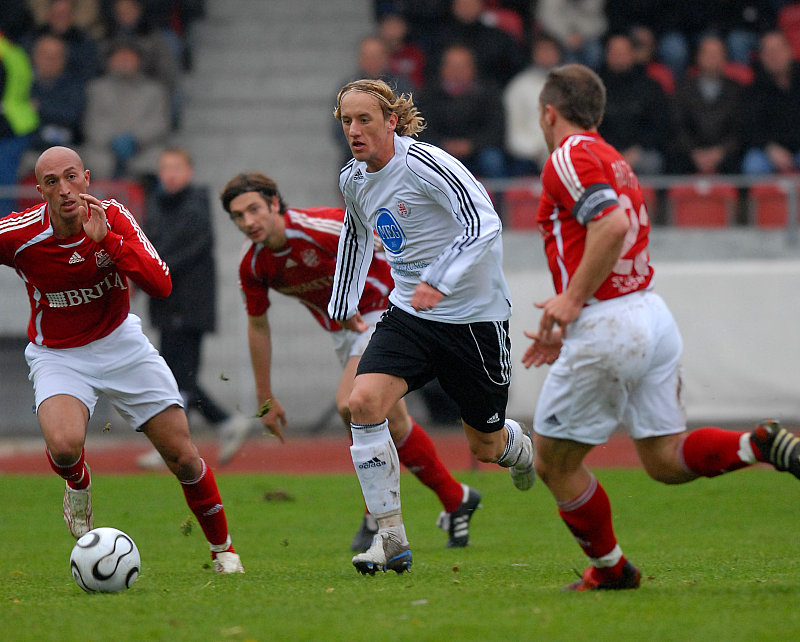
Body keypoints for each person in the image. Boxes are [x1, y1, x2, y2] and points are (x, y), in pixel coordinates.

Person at [522, 63, 800, 592]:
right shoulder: (613, 159)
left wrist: (572, 300)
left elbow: (611, 224)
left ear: (548, 112)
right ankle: (757, 445)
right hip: (648, 312)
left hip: (609, 322)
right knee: (665, 461)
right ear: (598, 113)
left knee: (553, 461)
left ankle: (611, 570)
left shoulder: (569, 156)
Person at [0, 145, 244, 573]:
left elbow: (162, 283)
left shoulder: (113, 217)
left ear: (87, 178)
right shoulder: (18, 234)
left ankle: (223, 550)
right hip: (58, 354)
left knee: (183, 457)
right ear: (39, 190)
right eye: (52, 182)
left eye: (72, 176)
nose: (64, 189)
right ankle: (79, 483)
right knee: (63, 446)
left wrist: (108, 242)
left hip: (120, 343)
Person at [330, 78, 534, 575]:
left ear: (391, 121)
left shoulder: (426, 163)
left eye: (364, 120)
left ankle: (521, 448)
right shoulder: (353, 178)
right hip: (410, 314)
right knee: (361, 403)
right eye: (346, 122)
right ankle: (391, 537)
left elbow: (483, 222)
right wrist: (340, 302)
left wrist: (440, 279)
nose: (354, 131)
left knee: (484, 446)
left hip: (473, 319)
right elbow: (357, 236)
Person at [219, 171, 482, 552]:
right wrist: (265, 396)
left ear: (275, 203)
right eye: (238, 216)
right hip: (345, 332)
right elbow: (258, 326)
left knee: (350, 404)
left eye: (254, 209)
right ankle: (456, 498)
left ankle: (377, 514)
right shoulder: (254, 265)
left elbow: (390, 243)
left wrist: (431, 287)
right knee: (393, 422)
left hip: (386, 313)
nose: (249, 222)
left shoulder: (321, 226)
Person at [136, 147, 255, 470]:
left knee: (176, 377)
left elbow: (178, 252)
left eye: (176, 167)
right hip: (166, 305)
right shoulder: (158, 206)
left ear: (189, 172)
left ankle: (176, 446)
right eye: (165, 168)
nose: (170, 174)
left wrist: (149, 272)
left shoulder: (195, 205)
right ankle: (224, 422)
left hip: (189, 305)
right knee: (179, 376)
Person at [81, 38, 170, 179]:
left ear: (139, 60)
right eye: (119, 57)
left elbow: (159, 123)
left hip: (143, 148)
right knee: (93, 162)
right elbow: (92, 123)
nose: (124, 61)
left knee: (158, 161)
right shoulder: (95, 89)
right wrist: (112, 141)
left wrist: (134, 139)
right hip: (104, 149)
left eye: (129, 57)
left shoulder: (154, 90)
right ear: (110, 60)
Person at [419, 43, 507, 178]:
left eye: (462, 66)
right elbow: (421, 130)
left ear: (473, 69)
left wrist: (471, 145)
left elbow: (495, 130)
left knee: (493, 160)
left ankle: (496, 199)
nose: (457, 72)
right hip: (439, 149)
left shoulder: (489, 93)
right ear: (443, 69)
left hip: (478, 151)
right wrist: (444, 144)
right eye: (453, 66)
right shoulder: (428, 94)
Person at [669, 35, 744, 175]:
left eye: (717, 54)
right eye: (708, 53)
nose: (712, 58)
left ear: (725, 58)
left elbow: (740, 128)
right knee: (673, 160)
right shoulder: (683, 90)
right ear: (698, 57)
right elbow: (677, 126)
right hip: (689, 153)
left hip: (726, 154)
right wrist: (694, 152)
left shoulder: (736, 91)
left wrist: (720, 152)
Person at [598, 33, 668, 176]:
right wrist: (611, 153)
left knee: (652, 162)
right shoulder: (593, 88)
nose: (619, 57)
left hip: (640, 152)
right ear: (607, 55)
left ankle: (644, 199)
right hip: (603, 151)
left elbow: (660, 126)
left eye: (623, 53)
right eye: (615, 52)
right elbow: (588, 127)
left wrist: (638, 149)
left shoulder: (651, 87)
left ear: (633, 54)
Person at [741, 30, 800, 175]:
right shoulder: (753, 89)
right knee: (753, 165)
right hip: (768, 151)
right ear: (761, 57)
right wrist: (769, 148)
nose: (774, 56)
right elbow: (749, 128)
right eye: (769, 52)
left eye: (778, 50)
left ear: (790, 52)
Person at [503, 34, 563, 176]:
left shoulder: (572, 84)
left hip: (564, 153)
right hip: (527, 157)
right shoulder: (518, 86)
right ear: (533, 54)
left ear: (558, 53)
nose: (546, 55)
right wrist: (537, 151)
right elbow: (513, 130)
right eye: (542, 51)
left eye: (550, 50)